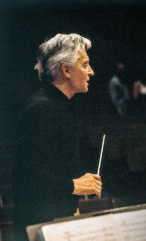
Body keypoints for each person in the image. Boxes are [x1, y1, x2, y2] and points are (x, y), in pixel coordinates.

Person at [13, 33, 102, 241]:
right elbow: (27, 179)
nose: (91, 72)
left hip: (57, 219)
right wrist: (75, 186)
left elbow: (57, 167)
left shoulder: (60, 106)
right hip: (40, 225)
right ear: (66, 70)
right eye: (85, 64)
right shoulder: (41, 109)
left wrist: (73, 208)